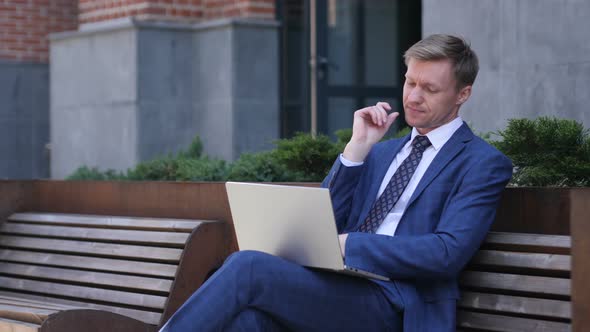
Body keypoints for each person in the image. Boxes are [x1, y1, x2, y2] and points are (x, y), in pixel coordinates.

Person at [159, 34, 512, 332]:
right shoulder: (382, 152)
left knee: (248, 266)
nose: (414, 96)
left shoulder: (481, 163)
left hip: (398, 302)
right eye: (410, 82)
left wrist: (350, 245)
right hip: (338, 286)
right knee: (250, 322)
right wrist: (356, 150)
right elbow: (325, 220)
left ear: (462, 94)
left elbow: (447, 253)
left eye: (430, 88)